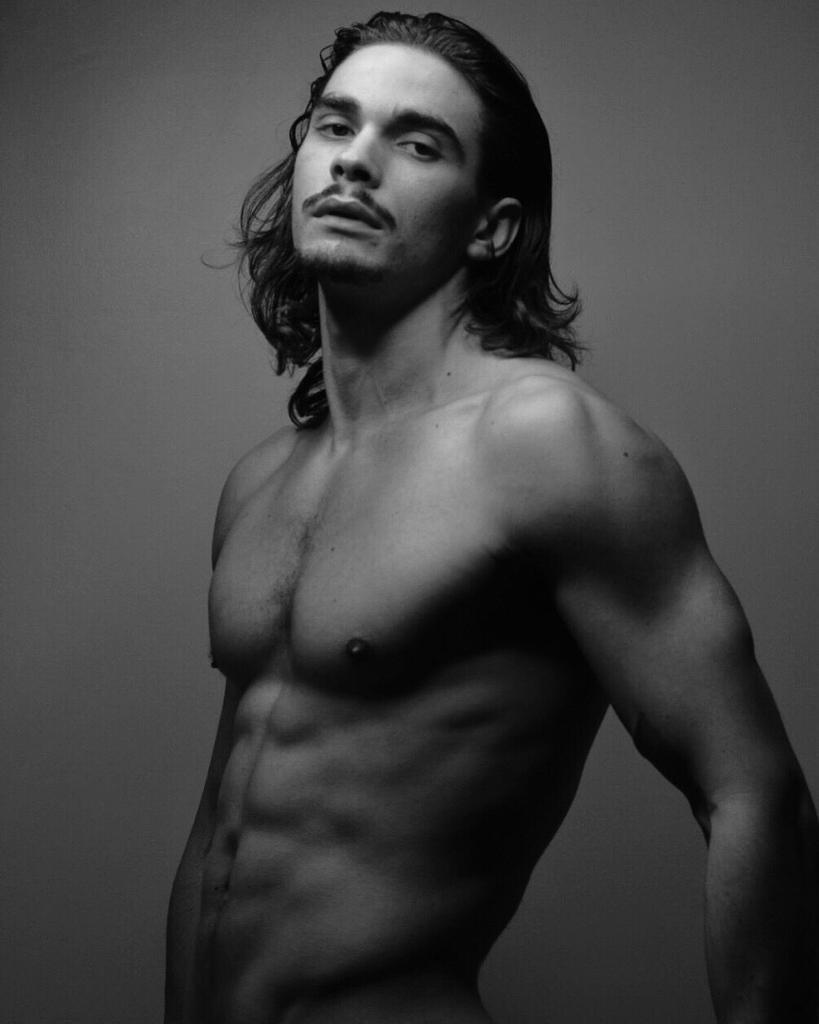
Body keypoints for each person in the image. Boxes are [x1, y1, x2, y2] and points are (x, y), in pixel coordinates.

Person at [165, 12, 818, 1024]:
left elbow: (755, 795)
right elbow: (224, 828)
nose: (356, 161)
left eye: (418, 143)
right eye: (335, 126)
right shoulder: (259, 484)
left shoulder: (546, 445)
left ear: (491, 227)